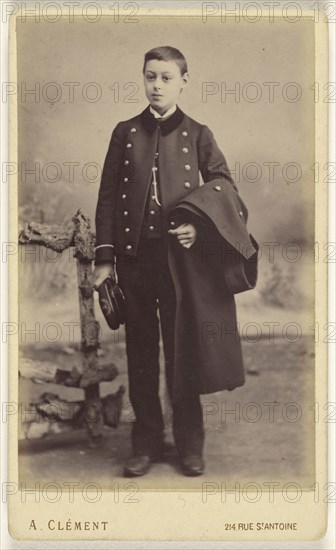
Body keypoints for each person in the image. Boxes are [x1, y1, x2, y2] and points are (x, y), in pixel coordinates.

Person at [92, 46, 258, 477]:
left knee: (183, 354)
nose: (157, 86)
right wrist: (105, 260)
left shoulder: (199, 133)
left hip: (179, 263)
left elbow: (224, 186)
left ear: (184, 80)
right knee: (141, 354)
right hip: (134, 261)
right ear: (143, 79)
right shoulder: (125, 131)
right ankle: (145, 442)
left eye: (166, 78)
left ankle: (189, 445)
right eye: (150, 77)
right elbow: (108, 197)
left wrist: (199, 228)